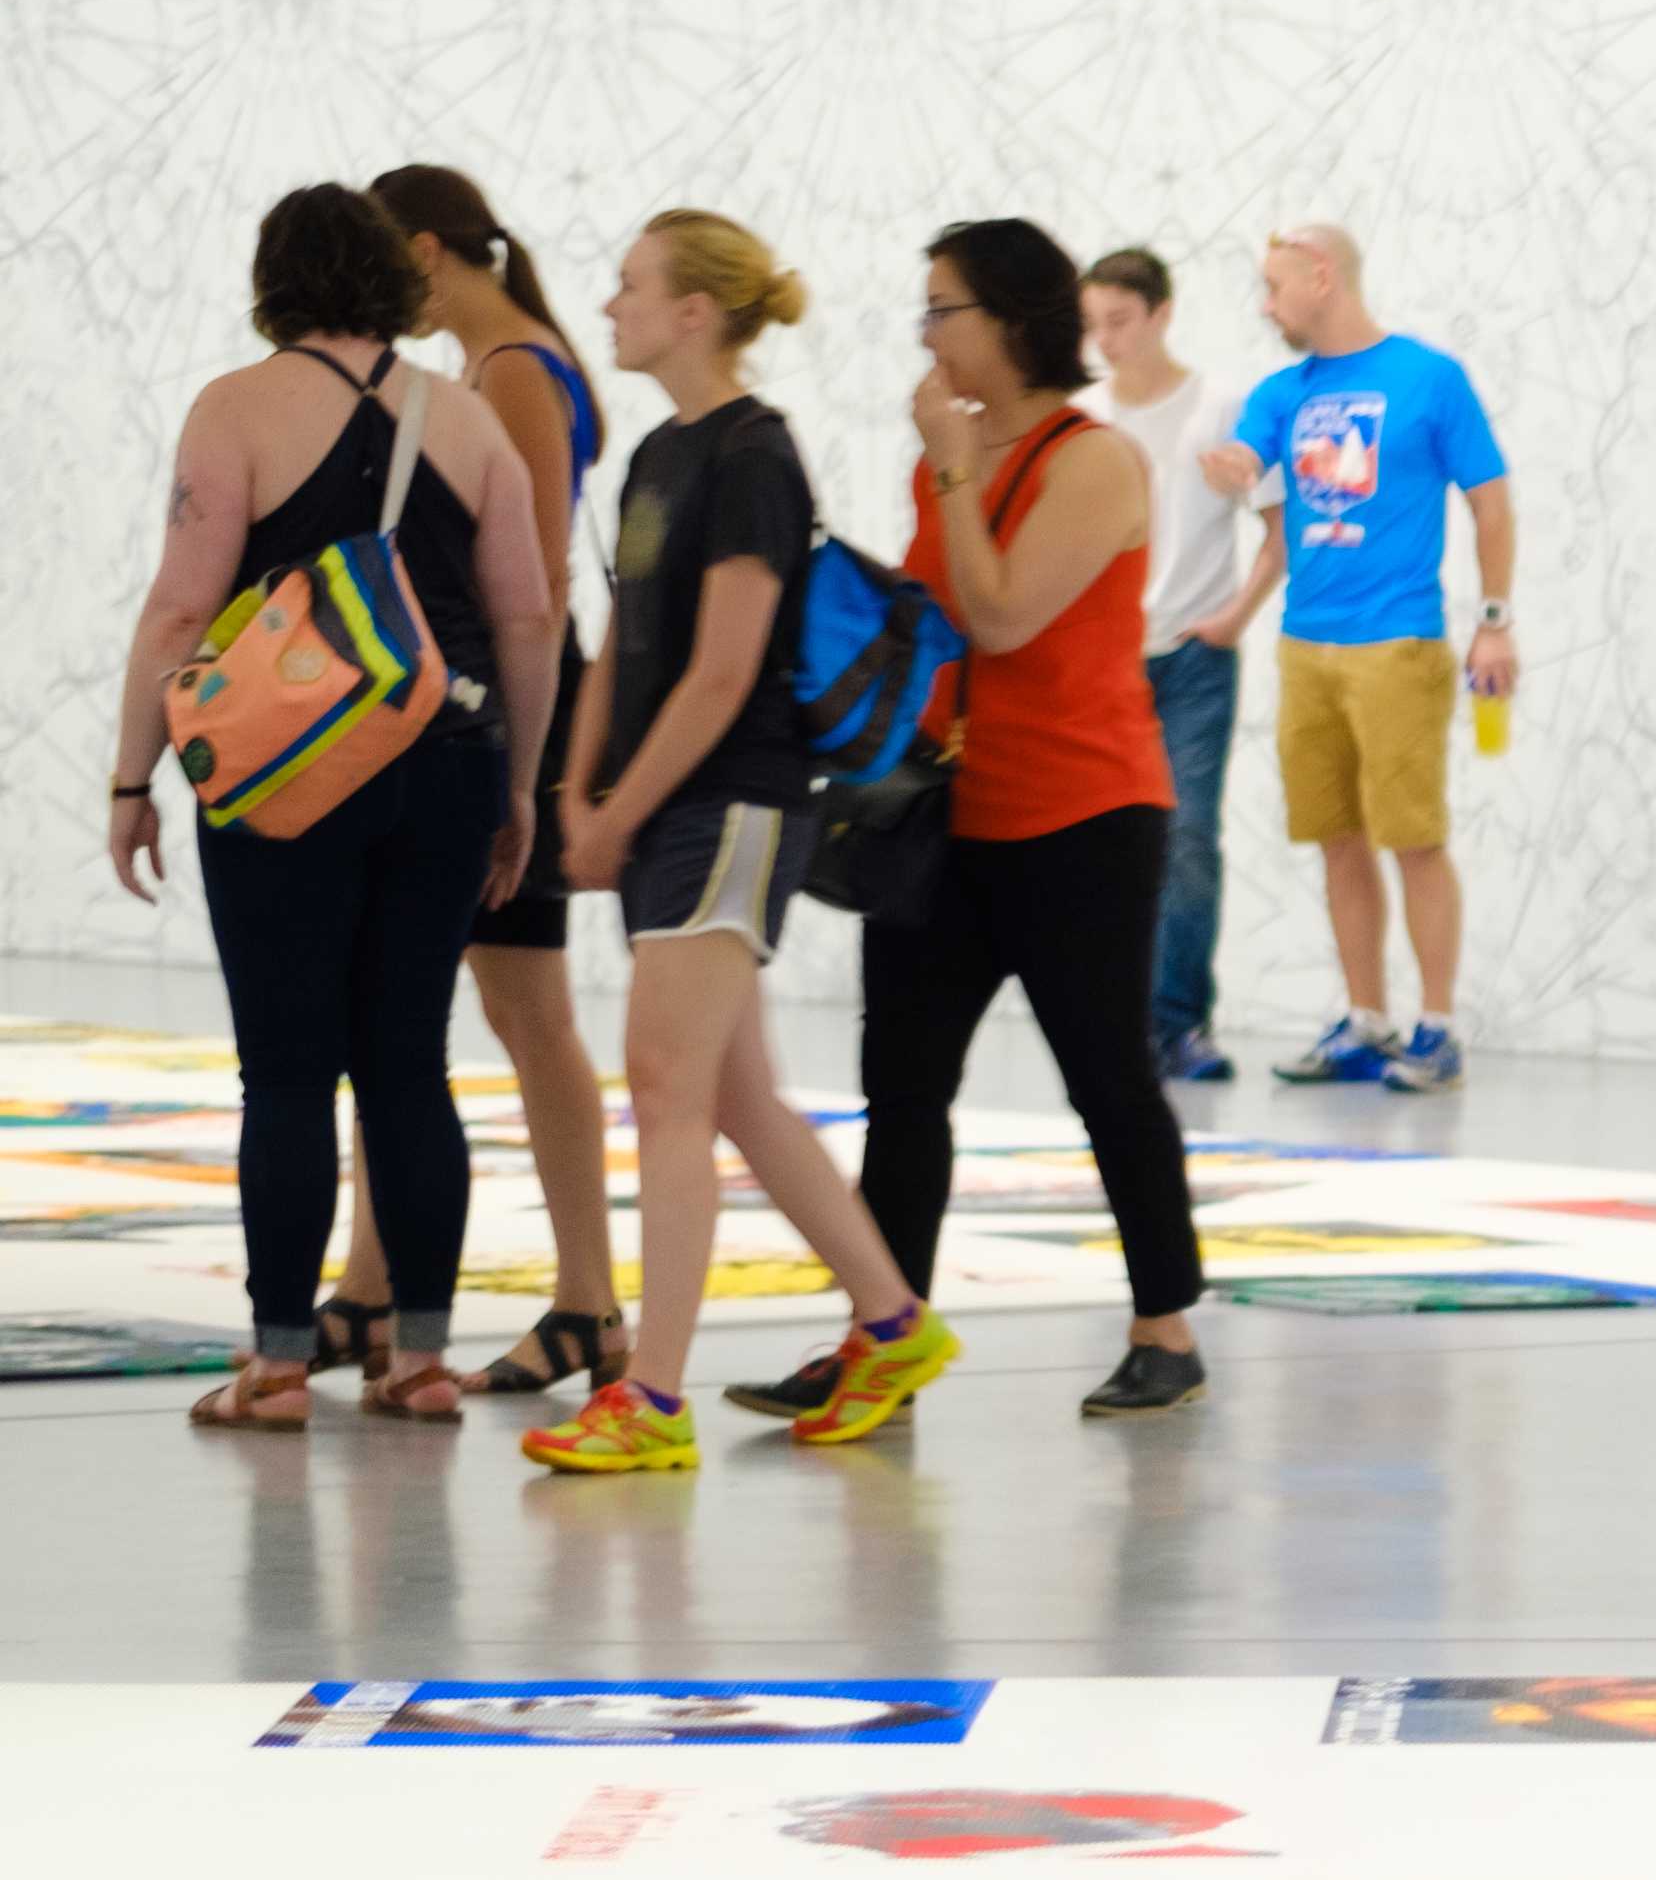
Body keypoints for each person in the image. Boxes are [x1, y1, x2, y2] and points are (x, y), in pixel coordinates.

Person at [101, 185, 551, 1429]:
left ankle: (282, 1364)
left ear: (274, 280)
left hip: (283, 772)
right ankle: (420, 1360)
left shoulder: (236, 409)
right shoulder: (465, 419)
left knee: (289, 1072)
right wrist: (516, 785)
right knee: (410, 1065)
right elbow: (528, 614)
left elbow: (182, 611)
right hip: (448, 760)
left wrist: (136, 776)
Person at [521, 214, 961, 1475]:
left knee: (664, 1083)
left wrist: (613, 807)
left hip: (732, 803)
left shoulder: (757, 458)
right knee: (733, 1092)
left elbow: (722, 673)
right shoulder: (660, 453)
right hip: (662, 807)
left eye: (629, 288)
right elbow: (625, 641)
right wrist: (578, 789)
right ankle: (893, 1323)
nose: (608, 307)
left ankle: (651, 1396)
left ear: (697, 311)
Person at [746, 224, 1205, 1423]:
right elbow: (941, 626)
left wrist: (950, 465)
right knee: (900, 1083)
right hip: (949, 817)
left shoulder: (1091, 459)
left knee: (1106, 1076)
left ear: (1009, 317)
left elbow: (1002, 616)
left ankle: (1166, 1326)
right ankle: (879, 1333)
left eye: (943, 308)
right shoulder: (949, 457)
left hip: (1085, 817)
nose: (927, 333)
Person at [338, 163, 623, 1399]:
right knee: (414, 1002)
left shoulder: (510, 368)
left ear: (423, 246)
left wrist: (517, 757)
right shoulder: (511, 358)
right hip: (500, 709)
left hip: (509, 714)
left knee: (522, 1012)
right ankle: (368, 1286)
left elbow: (537, 582)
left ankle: (589, 1302)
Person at [1207, 226, 1513, 1091]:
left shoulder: (1429, 379)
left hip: (1398, 643)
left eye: (1275, 287)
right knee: (1337, 839)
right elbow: (1250, 459)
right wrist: (1231, 465)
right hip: (1308, 645)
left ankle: (1439, 1026)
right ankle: (1367, 1019)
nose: (1267, 306)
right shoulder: (1280, 393)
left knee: (1413, 838)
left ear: (1322, 277)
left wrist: (1495, 620)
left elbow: (1491, 505)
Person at [1082, 246, 1255, 1086]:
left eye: (1119, 320)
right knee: (1107, 844)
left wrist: (1235, 618)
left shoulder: (1221, 404)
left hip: (1192, 656)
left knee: (1187, 838)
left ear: (1161, 313)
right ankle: (1116, 1023)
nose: (1106, 340)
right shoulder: (1083, 413)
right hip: (1106, 660)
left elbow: (1276, 513)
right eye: (1093, 325)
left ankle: (1181, 1024)